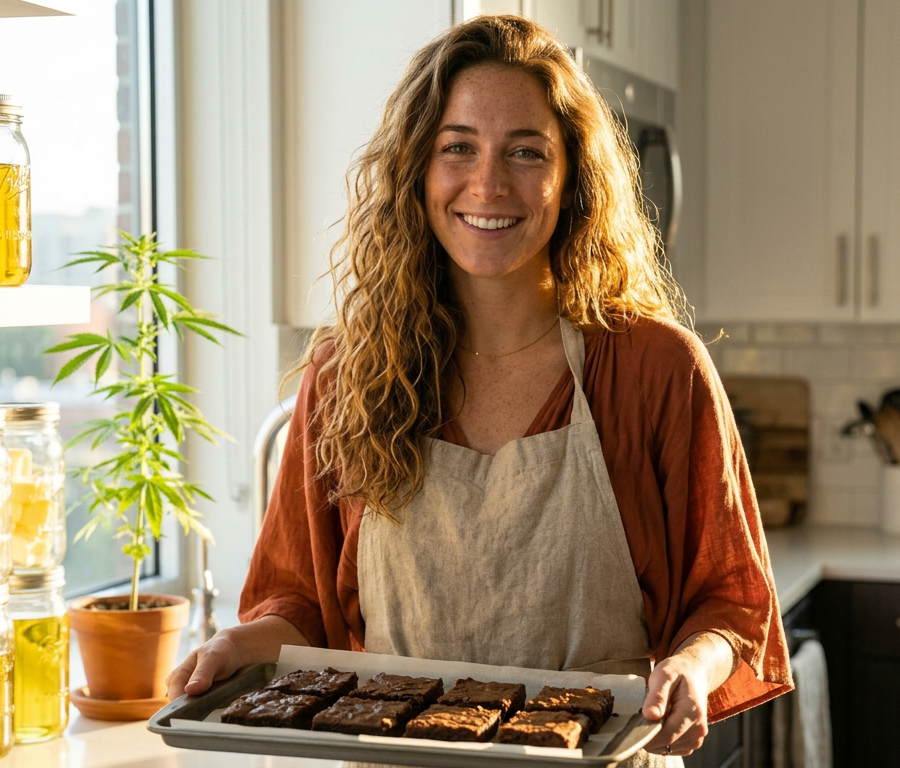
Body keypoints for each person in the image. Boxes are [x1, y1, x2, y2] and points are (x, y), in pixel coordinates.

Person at [167, 15, 792, 765]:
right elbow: (301, 609)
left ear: (573, 179)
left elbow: (730, 604)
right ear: (417, 171)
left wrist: (694, 667)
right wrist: (240, 645)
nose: (489, 184)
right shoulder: (347, 373)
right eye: (457, 147)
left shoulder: (654, 369)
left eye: (526, 152)